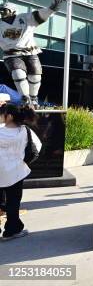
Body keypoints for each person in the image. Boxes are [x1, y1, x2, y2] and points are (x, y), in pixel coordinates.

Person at [0, 0, 65, 107]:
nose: (1, 12)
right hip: (12, 54)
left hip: (30, 51)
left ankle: (34, 98)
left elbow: (42, 14)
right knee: (18, 73)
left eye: (4, 9)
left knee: (35, 75)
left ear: (12, 11)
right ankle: (25, 98)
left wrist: (52, 8)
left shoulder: (25, 18)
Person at [0, 103, 42, 241]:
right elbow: (37, 146)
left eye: (2, 113)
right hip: (16, 172)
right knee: (13, 202)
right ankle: (11, 231)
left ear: (9, 116)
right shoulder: (25, 131)